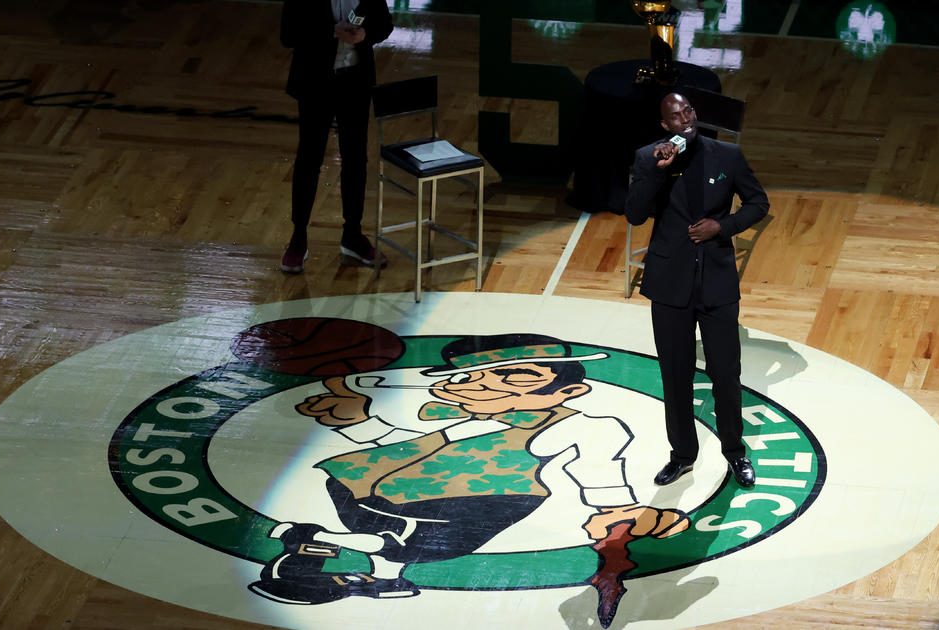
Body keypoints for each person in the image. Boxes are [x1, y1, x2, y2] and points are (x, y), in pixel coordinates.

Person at [248, 334, 689, 604]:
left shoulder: (586, 425)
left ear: (568, 389)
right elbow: (400, 445)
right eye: (468, 379)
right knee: (397, 538)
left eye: (513, 377)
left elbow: (601, 471)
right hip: (372, 486)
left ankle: (315, 539)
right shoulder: (461, 419)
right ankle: (380, 577)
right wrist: (360, 421)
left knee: (414, 541)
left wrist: (619, 511)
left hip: (476, 498)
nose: (482, 387)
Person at [624, 92, 769, 488]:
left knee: (725, 372)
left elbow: (758, 203)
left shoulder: (727, 156)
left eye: (688, 110)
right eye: (675, 115)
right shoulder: (648, 158)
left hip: (717, 282)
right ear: (665, 125)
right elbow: (635, 215)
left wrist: (722, 227)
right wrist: (657, 171)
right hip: (670, 284)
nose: (685, 118)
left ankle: (735, 453)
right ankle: (682, 455)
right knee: (675, 375)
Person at [279, 0, 393, 273]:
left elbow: (384, 24)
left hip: (355, 81)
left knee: (356, 159)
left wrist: (365, 34)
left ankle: (353, 234)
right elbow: (288, 35)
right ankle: (298, 238)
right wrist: (331, 31)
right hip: (315, 82)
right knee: (309, 158)